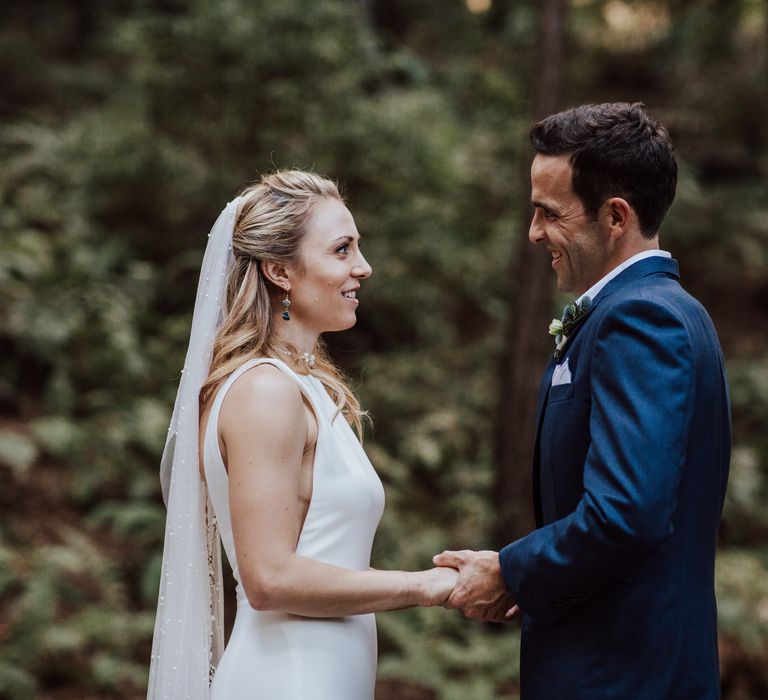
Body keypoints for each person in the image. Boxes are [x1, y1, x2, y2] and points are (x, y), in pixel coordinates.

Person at [435, 103, 731, 698]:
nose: (534, 232)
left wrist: (511, 572)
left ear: (615, 216)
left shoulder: (642, 319)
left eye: (548, 213)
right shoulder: (658, 311)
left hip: (623, 677)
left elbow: (626, 513)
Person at [147, 170, 458, 700]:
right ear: (280, 271)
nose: (364, 266)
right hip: (286, 679)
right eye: (342, 250)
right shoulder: (264, 392)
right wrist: (424, 586)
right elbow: (269, 579)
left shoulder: (301, 385)